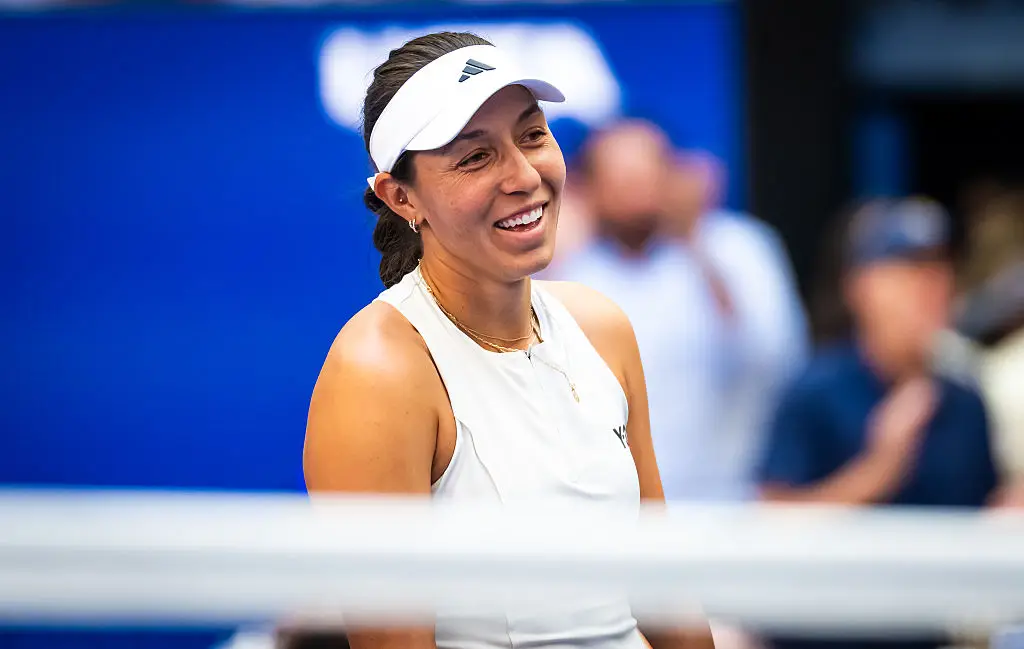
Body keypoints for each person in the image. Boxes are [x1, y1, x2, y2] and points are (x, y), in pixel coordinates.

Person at [303, 32, 704, 649]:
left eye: (532, 135)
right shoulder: (377, 369)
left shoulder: (601, 326)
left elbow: (664, 594)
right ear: (400, 196)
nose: (523, 176)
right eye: (474, 157)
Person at [757, 197, 1001, 649]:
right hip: (827, 637)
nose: (928, 288)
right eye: (907, 270)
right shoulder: (816, 389)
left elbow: (982, 517)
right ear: (861, 286)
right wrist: (878, 471)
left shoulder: (965, 398)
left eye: (939, 269)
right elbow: (770, 533)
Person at [553, 121, 807, 503]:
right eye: (619, 177)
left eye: (647, 173)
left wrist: (694, 241)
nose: (636, 190)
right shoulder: (571, 264)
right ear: (588, 187)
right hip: (606, 506)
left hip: (722, 502)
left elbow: (776, 360)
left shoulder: (736, 246)